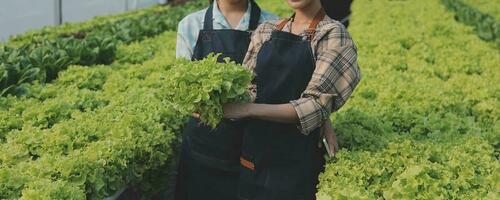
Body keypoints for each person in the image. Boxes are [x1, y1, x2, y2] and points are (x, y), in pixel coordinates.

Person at [222, 0, 361, 199]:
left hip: (295, 163)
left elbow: (315, 105)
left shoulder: (333, 35)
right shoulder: (266, 30)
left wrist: (248, 109)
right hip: (254, 155)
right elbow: (247, 87)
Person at [174, 1, 278, 200]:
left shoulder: (273, 24)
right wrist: (202, 105)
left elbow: (281, 86)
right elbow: (184, 92)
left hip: (254, 147)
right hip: (202, 149)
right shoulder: (190, 25)